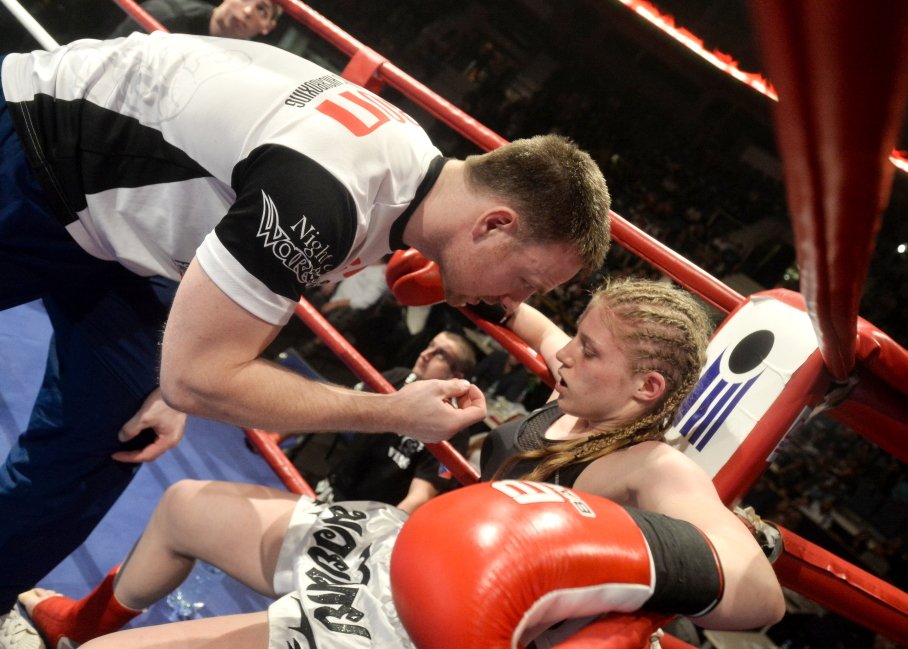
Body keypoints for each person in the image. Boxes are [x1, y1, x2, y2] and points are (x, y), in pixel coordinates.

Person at [0, 31, 612, 608]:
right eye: (525, 283)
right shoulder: (328, 193)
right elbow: (196, 380)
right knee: (180, 385)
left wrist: (552, 338)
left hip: (128, 239)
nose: (510, 304)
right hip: (35, 153)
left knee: (115, 435)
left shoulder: (417, 177)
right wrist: (393, 413)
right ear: (494, 224)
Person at [0, 278, 785, 649]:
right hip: (399, 549)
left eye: (590, 347)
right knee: (183, 508)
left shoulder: (655, 465)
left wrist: (624, 554)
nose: (567, 352)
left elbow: (760, 595)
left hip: (422, 626)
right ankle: (77, 620)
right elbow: (535, 324)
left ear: (646, 389)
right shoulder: (582, 386)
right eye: (576, 335)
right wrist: (479, 286)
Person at [286, 331, 478, 513]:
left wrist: (380, 529)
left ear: (456, 377)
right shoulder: (398, 377)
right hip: (334, 487)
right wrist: (282, 432)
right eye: (430, 345)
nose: (425, 354)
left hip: (372, 516)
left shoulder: (453, 426)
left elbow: (421, 494)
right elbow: (337, 407)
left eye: (440, 355)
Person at [107, 0, 281, 40]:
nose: (248, 10)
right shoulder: (166, 14)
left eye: (261, 9)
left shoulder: (248, 64)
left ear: (268, 27)